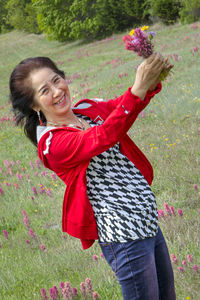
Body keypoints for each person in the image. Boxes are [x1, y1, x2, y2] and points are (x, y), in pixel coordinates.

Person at [9, 54, 176, 300]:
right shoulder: (52, 143)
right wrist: (138, 88)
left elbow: (124, 110)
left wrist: (150, 81)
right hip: (122, 234)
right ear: (34, 105)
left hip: (146, 219)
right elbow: (103, 137)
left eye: (57, 80)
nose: (57, 91)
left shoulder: (87, 109)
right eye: (45, 90)